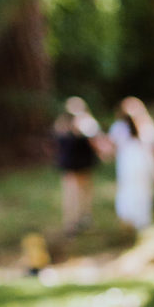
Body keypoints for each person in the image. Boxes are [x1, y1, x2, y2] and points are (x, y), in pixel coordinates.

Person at [108, 96, 154, 232]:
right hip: (139, 165)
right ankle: (138, 222)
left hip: (130, 165)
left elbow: (110, 149)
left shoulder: (120, 127)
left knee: (133, 191)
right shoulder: (143, 125)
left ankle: (132, 220)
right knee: (139, 192)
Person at [52, 97, 107, 233]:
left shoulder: (84, 124)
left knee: (81, 191)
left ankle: (82, 217)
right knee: (73, 193)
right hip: (72, 163)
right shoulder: (65, 125)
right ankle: (72, 221)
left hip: (80, 162)